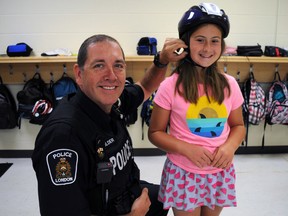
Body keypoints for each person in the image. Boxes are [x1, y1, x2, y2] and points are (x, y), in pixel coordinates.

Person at [31, 34, 171, 216]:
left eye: (118, 66)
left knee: (167, 197)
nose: (111, 76)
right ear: (79, 74)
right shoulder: (63, 137)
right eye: (99, 66)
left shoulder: (112, 101)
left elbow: (144, 87)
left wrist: (161, 60)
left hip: (124, 194)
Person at [148, 3, 246, 216]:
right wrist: (186, 149)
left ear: (222, 45)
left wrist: (229, 147)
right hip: (183, 174)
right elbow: (154, 133)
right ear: (186, 44)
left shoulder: (230, 84)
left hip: (219, 173)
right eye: (200, 40)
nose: (207, 48)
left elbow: (238, 125)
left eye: (214, 41)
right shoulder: (170, 86)